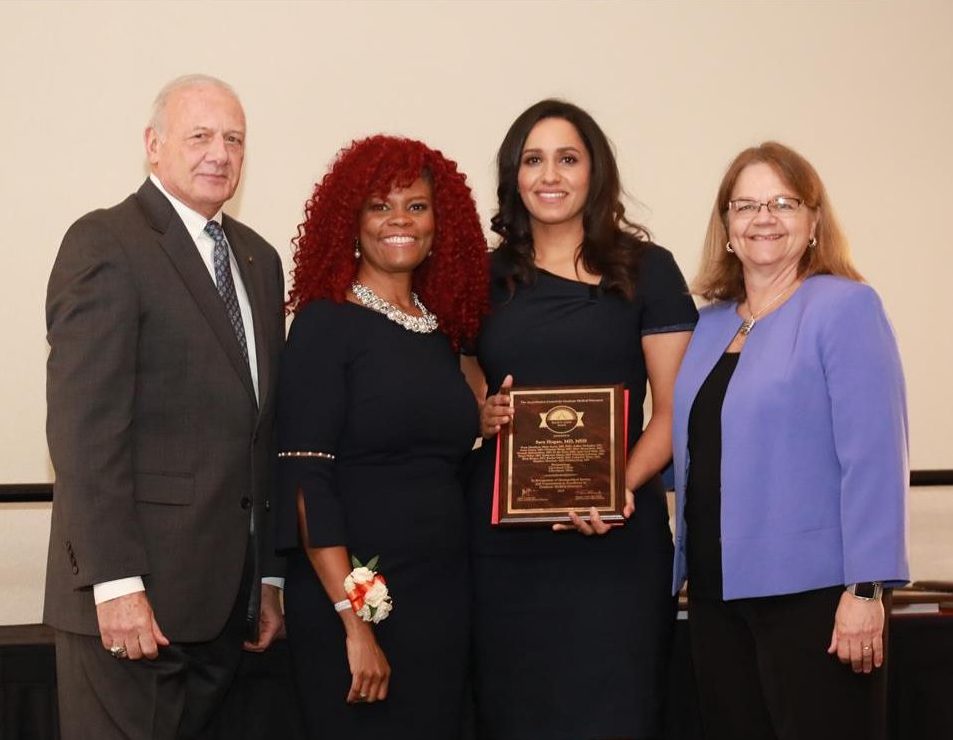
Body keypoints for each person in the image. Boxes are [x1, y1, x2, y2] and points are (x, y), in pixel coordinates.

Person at [45, 74, 286, 739]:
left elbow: (256, 430)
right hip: (130, 601)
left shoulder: (258, 261)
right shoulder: (107, 243)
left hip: (225, 607)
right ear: (153, 146)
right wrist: (115, 583)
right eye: (199, 136)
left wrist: (266, 574)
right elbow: (84, 430)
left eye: (233, 139)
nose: (219, 153)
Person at [464, 99, 697, 740]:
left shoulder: (648, 270)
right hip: (507, 546)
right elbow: (460, 376)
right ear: (514, 174)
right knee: (514, 715)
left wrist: (618, 486)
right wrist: (480, 411)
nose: (550, 175)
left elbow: (678, 411)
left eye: (568, 159)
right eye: (534, 160)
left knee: (616, 712)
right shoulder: (482, 276)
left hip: (616, 540)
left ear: (595, 173)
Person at [671, 141, 909, 740]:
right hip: (715, 593)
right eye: (745, 205)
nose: (763, 218)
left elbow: (874, 458)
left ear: (813, 221)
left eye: (783, 202)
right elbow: (703, 449)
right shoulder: (709, 324)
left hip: (816, 598)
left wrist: (865, 589)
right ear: (726, 225)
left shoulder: (845, 307)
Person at [275, 135, 489, 738]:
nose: (400, 221)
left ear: (438, 224)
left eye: (417, 207)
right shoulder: (325, 323)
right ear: (351, 221)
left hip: (443, 597)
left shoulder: (444, 332)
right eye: (379, 206)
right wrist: (354, 623)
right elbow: (304, 479)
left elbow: (444, 453)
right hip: (361, 596)